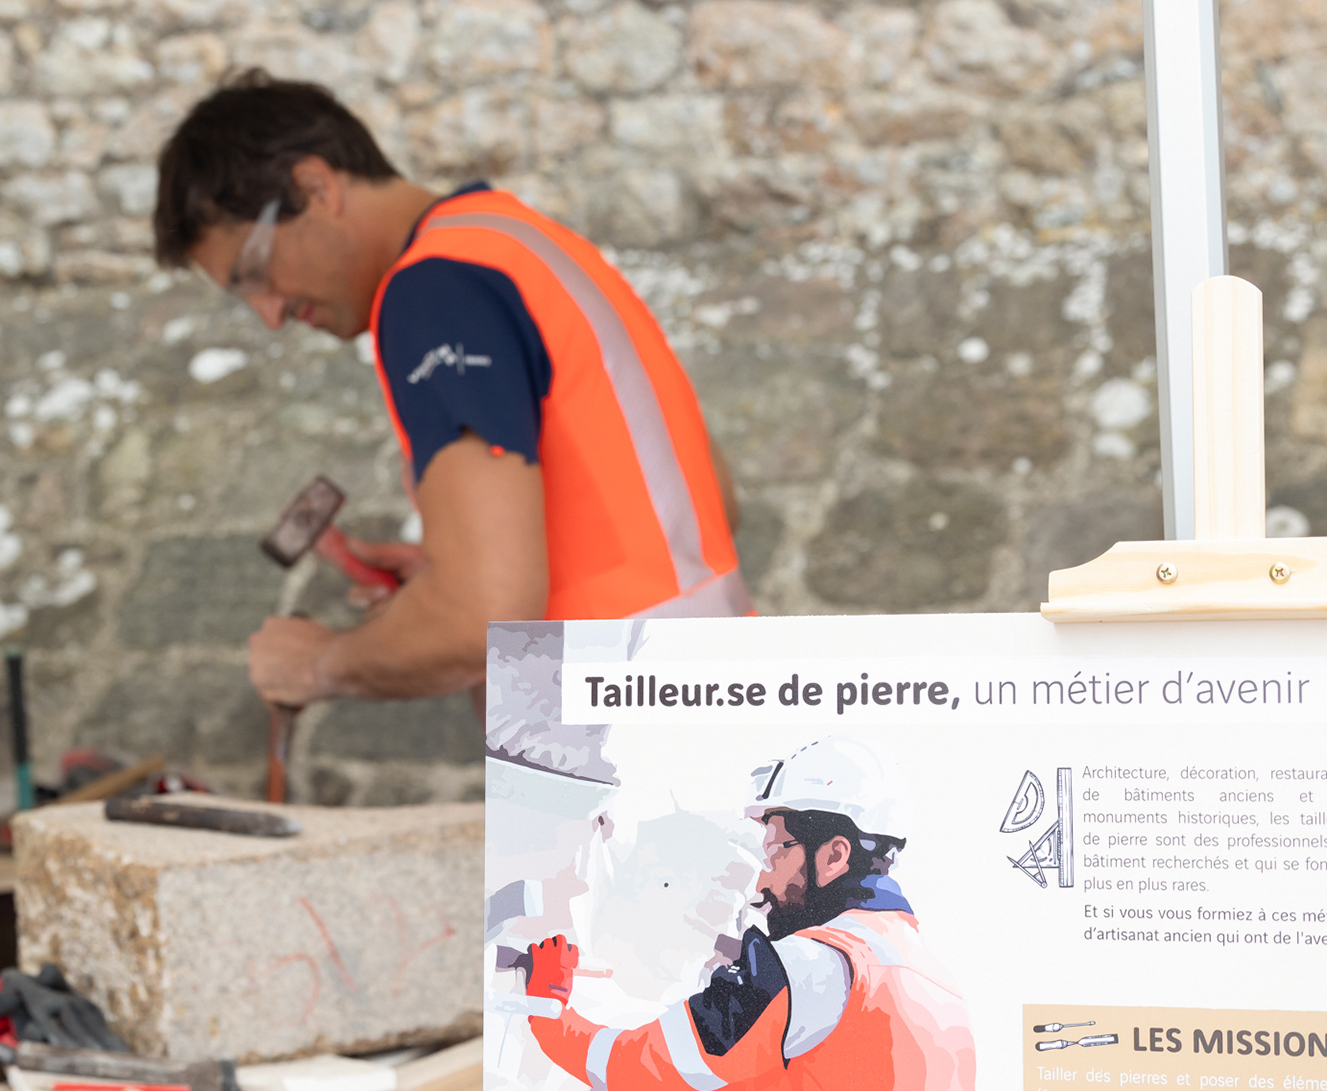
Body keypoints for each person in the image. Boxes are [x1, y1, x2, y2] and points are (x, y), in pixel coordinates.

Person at [152, 72, 748, 710]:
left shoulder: (432, 293)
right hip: (716, 693)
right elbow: (703, 505)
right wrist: (460, 566)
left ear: (314, 187)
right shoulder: (521, 243)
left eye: (254, 272)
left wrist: (319, 664)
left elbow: (480, 616)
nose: (269, 314)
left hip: (621, 736)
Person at [522, 739, 976, 1090]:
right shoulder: (939, 986)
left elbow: (639, 1068)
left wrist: (549, 1013)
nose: (761, 883)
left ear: (834, 856)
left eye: (776, 851)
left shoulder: (810, 968)